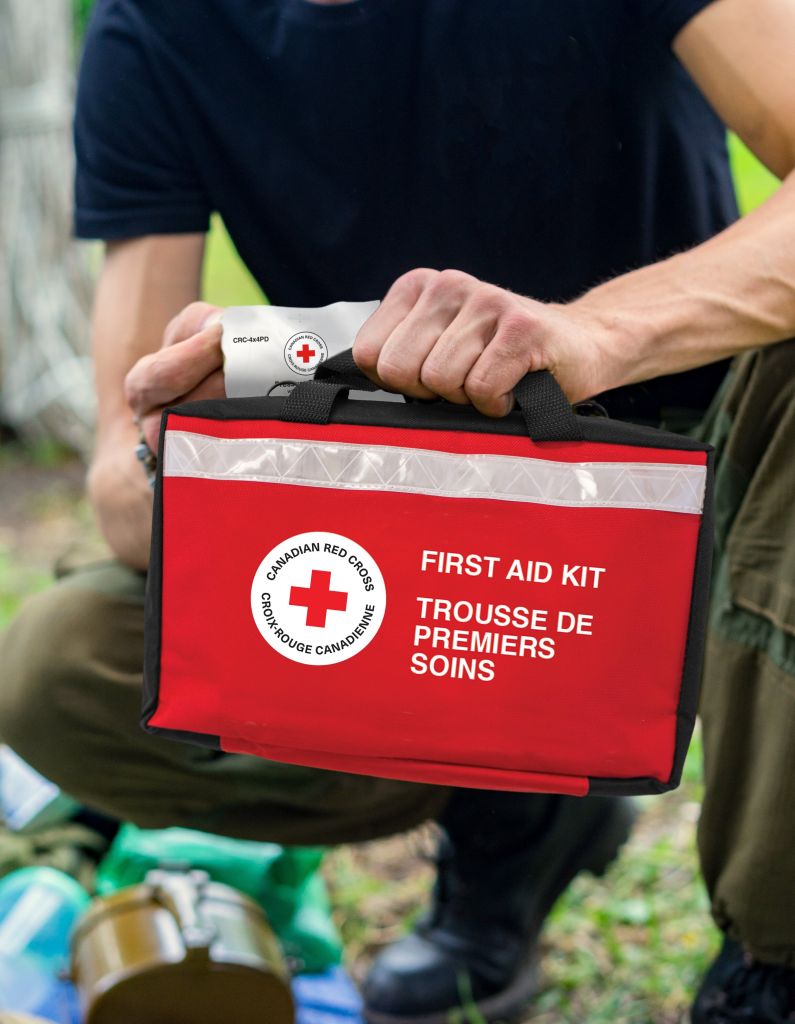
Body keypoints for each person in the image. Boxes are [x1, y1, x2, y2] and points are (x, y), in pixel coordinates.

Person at [1, 0, 794, 1020]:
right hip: (421, 530)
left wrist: (589, 335)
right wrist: (227, 415)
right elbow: (124, 466)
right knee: (69, 666)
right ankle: (512, 818)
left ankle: (773, 958)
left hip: (699, 471)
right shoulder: (155, 30)